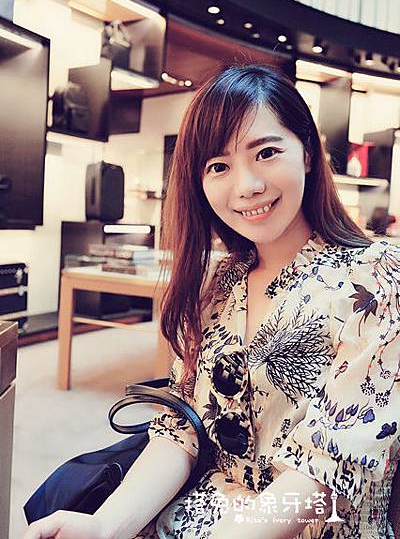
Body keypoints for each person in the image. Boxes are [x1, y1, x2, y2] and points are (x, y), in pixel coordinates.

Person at [23, 63, 400, 539]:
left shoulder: (376, 278)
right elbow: (181, 430)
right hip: (200, 516)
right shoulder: (220, 284)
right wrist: (105, 526)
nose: (247, 186)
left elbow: (324, 475)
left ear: (307, 152)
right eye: (218, 166)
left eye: (266, 153)